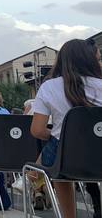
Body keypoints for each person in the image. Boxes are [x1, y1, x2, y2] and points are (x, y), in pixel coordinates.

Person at [31, 39, 102, 218]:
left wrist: (59, 136)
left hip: (68, 160)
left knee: (58, 150)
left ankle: (68, 215)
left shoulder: (49, 87)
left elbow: (37, 130)